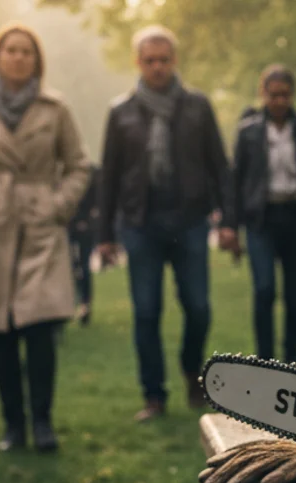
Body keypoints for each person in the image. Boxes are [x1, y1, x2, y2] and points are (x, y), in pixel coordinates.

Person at [0, 22, 90, 452]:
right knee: (0, 331)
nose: (19, 57)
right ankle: (12, 425)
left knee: (40, 330)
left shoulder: (55, 108)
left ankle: (42, 422)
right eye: (11, 50)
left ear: (36, 60)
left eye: (27, 51)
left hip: (39, 226)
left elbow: (78, 165)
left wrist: (59, 204)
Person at [96, 25, 232, 422]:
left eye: (164, 59)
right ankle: (153, 395)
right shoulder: (121, 111)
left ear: (174, 61)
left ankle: (193, 373)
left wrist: (228, 221)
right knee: (146, 311)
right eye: (149, 60)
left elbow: (219, 167)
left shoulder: (197, 106)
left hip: (189, 219)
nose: (157, 67)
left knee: (199, 307)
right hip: (141, 223)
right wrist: (104, 235)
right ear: (138, 63)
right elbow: (109, 176)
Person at [226, 64, 296, 364]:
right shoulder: (249, 132)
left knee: (295, 296)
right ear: (263, 94)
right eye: (274, 95)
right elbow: (236, 180)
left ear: (292, 95)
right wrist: (231, 225)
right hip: (262, 219)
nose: (280, 101)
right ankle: (265, 359)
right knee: (265, 288)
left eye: (285, 95)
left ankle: (292, 358)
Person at [70, 165, 99, 327]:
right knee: (72, 266)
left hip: (83, 227)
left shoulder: (90, 174)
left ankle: (85, 304)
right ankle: (78, 303)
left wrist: (87, 220)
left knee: (83, 266)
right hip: (69, 225)